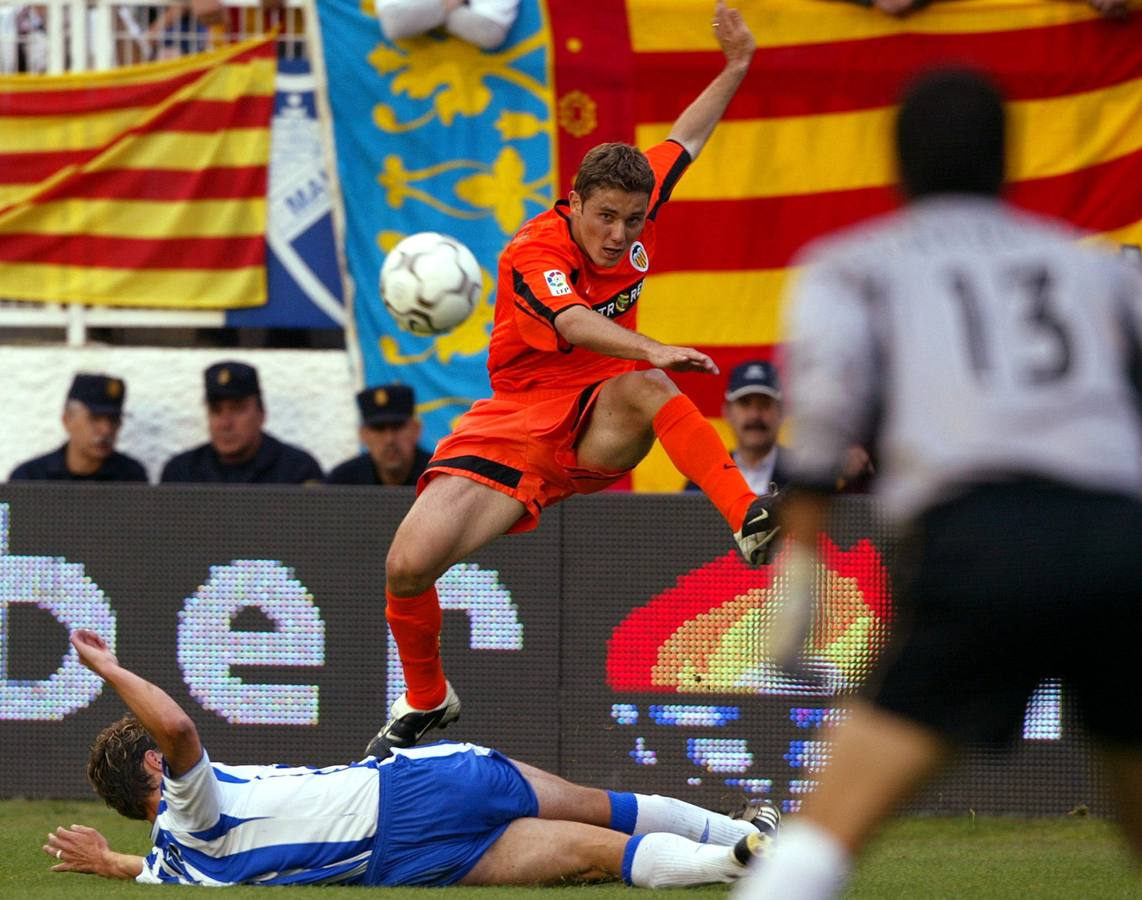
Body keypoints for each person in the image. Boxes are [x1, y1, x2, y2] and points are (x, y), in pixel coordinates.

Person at [733, 69, 1142, 899]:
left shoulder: (853, 267)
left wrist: (801, 556)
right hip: (1121, 542)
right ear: (1008, 161)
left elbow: (822, 422)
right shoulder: (1094, 267)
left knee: (822, 837)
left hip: (982, 543)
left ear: (898, 164)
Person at [370, 0, 778, 757]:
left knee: (646, 388)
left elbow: (685, 136)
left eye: (632, 219)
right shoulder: (535, 249)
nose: (621, 235)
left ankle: (746, 515)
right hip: (515, 421)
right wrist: (648, 343)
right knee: (405, 566)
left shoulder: (636, 200)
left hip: (597, 415)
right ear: (576, 203)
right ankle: (428, 697)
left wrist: (736, 66)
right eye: (607, 219)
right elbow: (572, 325)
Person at [45, 628, 779, 887]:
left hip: (408, 865)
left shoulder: (176, 866)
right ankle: (734, 836)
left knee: (595, 853)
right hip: (419, 792)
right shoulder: (189, 806)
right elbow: (176, 729)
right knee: (597, 809)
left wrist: (106, 860)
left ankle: (735, 860)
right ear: (152, 774)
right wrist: (109, 670)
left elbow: (144, 867)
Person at [161, 361, 323, 484]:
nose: (225, 424)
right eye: (216, 411)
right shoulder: (182, 473)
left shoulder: (297, 471)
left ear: (261, 414)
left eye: (237, 410)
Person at [9, 373, 147, 482]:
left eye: (114, 420)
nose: (106, 429)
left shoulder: (131, 477)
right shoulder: (29, 477)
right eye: (95, 419)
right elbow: (4, 515)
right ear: (67, 420)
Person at [685, 360, 790, 495]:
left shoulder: (805, 476)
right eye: (744, 404)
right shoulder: (705, 479)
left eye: (764, 403)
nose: (754, 415)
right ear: (727, 412)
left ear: (781, 411)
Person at [325, 385, 431, 486]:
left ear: (416, 430)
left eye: (397, 427)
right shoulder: (341, 481)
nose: (389, 439)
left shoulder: (438, 476)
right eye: (379, 429)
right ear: (363, 434)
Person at [376, 0, 520, 51]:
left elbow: (489, 32)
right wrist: (450, 3)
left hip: (478, 91)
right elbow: (395, 23)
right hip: (405, 102)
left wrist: (421, 15)